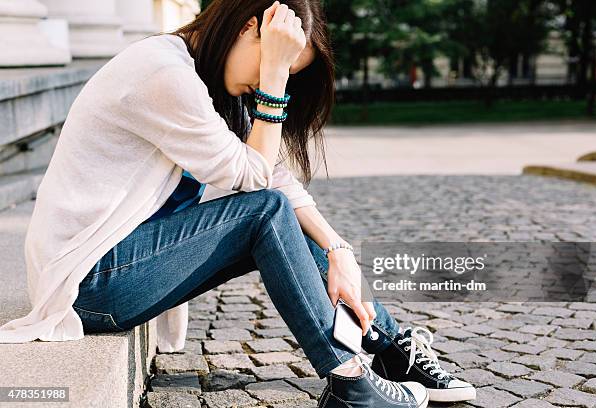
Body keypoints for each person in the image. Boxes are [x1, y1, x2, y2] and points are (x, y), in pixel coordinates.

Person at [0, 1, 475, 406]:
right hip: (88, 285)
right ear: (249, 27)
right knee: (263, 212)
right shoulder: (162, 72)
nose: (280, 78)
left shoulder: (198, 77)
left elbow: (277, 178)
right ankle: (351, 383)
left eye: (289, 70)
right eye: (280, 62)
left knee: (282, 217)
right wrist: (272, 82)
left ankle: (390, 346)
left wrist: (338, 250)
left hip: (116, 267)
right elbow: (253, 182)